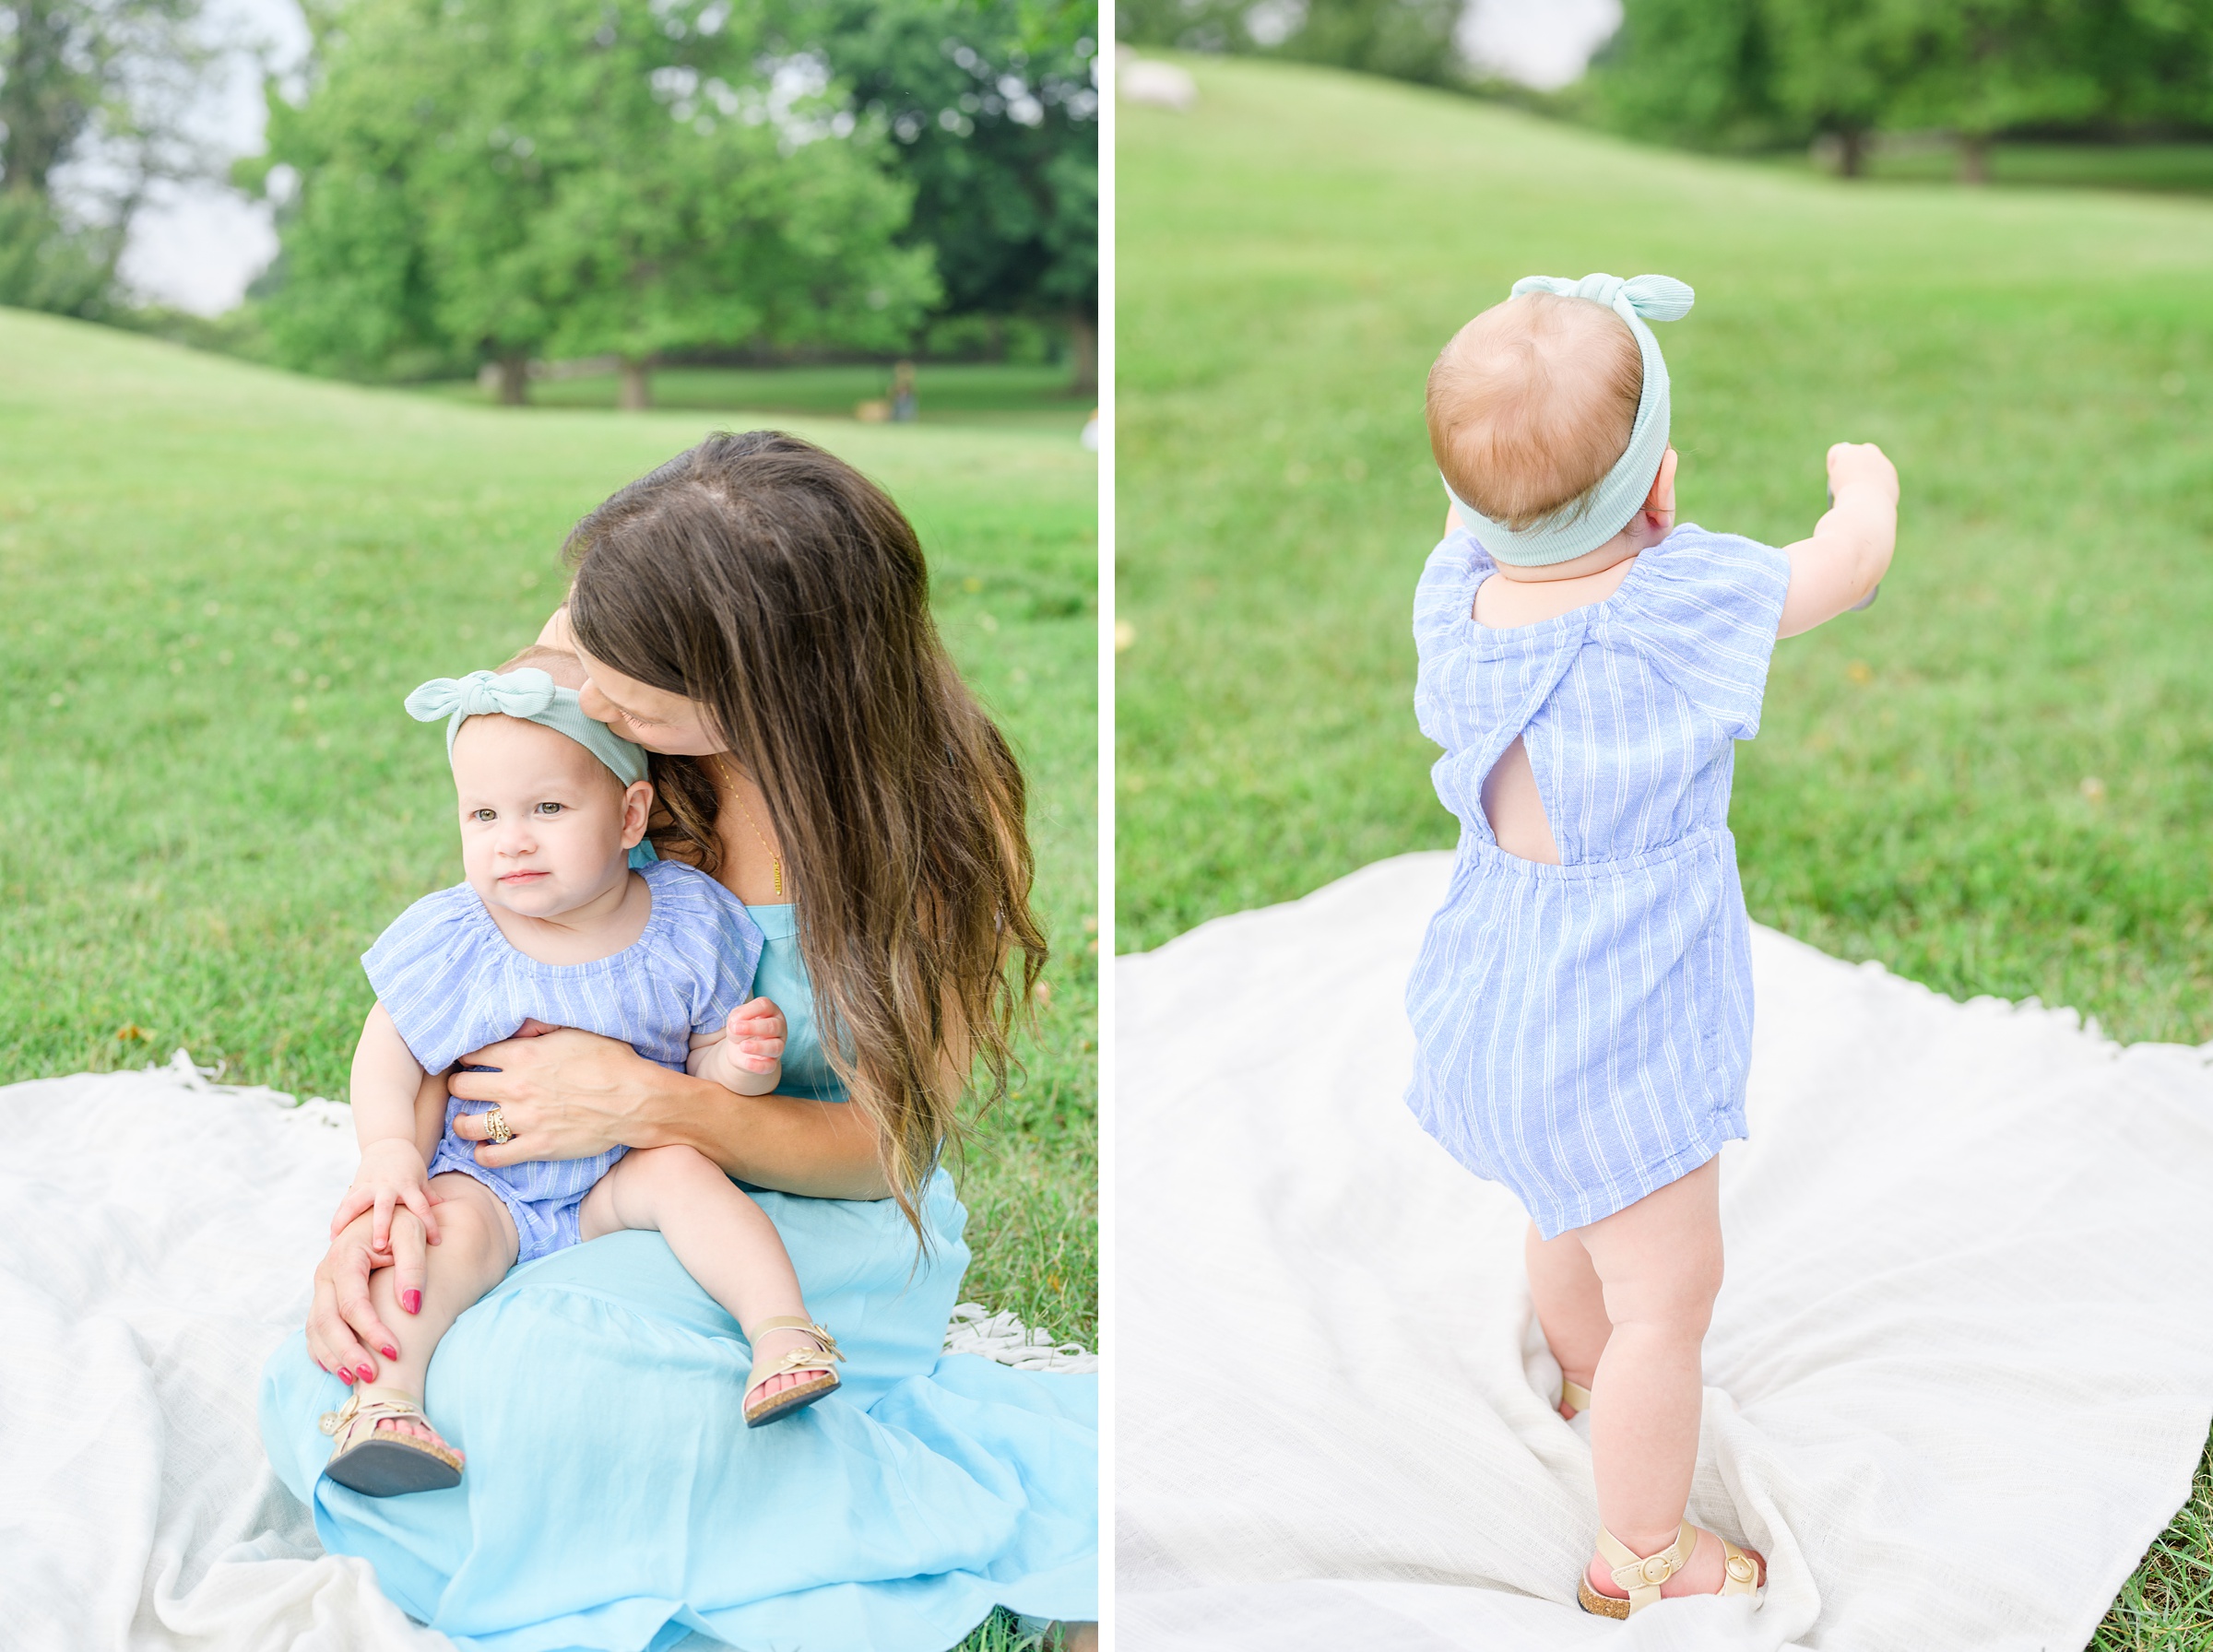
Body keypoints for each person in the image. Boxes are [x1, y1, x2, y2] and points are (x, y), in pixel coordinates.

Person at [259, 431, 1097, 1651]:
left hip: (803, 1217)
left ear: (750, 681)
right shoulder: (620, 722)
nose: (581, 686)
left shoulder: (925, 846)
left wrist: (648, 1104)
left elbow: (885, 1152)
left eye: (619, 668)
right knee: (356, 1365)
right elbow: (486, 933)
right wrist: (390, 1212)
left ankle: (927, 1515)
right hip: (559, 1186)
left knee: (540, 1382)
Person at [1405, 273, 1898, 1616]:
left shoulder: (1454, 596)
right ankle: (1645, 1547)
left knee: (1571, 1206)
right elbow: (1843, 573)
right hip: (1620, 1017)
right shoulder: (1678, 602)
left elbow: (1492, 524)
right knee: (1668, 1295)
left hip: (1498, 1000)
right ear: (1663, 492)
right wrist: (1867, 487)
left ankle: (1578, 1371)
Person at [315, 660, 836, 1500]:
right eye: (482, 815)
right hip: (492, 1179)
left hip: (620, 1173)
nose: (510, 839)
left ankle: (783, 1334)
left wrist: (738, 1064)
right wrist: (386, 1151)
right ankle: (386, 1404)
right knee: (432, 1242)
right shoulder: (461, 933)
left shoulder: (689, 920)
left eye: (547, 809)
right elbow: (392, 1046)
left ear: (631, 815)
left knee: (689, 1177)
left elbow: (700, 1066)